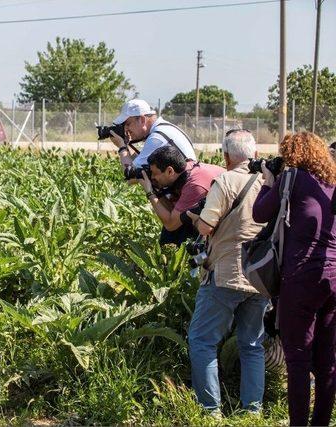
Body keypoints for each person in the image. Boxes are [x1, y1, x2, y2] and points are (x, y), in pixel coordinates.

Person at [252, 131, 336, 426]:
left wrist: (267, 182)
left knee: (298, 359)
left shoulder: (293, 178)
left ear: (293, 156)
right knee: (327, 361)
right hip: (333, 279)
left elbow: (259, 213)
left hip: (301, 276)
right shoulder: (331, 183)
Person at [185, 130, 269, 414]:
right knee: (253, 345)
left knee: (203, 341)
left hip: (226, 273)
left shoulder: (225, 180)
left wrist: (195, 217)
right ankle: (253, 410)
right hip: (261, 277)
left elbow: (207, 227)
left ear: (225, 157)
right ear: (255, 155)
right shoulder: (269, 183)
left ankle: (210, 411)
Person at [140, 145, 224, 245]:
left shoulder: (193, 186)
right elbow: (173, 211)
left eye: (154, 173)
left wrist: (150, 192)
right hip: (222, 217)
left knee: (179, 227)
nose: (152, 177)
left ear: (170, 171)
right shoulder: (187, 167)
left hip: (229, 226)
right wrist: (156, 190)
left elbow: (171, 224)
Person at [108, 99, 197, 172]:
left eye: (128, 124)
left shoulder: (157, 138)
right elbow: (139, 164)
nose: (126, 129)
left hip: (187, 191)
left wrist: (122, 147)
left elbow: (131, 175)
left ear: (142, 119)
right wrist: (125, 145)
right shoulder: (165, 128)